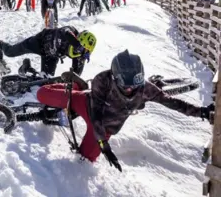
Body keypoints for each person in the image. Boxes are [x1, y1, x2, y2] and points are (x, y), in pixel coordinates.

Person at [36, 50, 214, 172]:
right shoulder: (102, 80)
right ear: (114, 76)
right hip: (86, 105)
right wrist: (103, 144)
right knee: (42, 94)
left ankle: (76, 90)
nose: (130, 88)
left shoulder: (145, 88)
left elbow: (172, 103)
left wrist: (201, 112)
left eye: (135, 82)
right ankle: (75, 86)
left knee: (84, 161)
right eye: (124, 83)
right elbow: (96, 113)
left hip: (106, 128)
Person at [0, 26, 96, 76]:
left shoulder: (81, 55)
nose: (80, 52)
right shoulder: (70, 30)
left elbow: (76, 76)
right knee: (10, 52)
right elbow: (65, 32)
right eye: (81, 48)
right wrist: (77, 45)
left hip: (51, 56)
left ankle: (27, 69)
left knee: (45, 81)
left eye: (86, 51)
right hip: (38, 42)